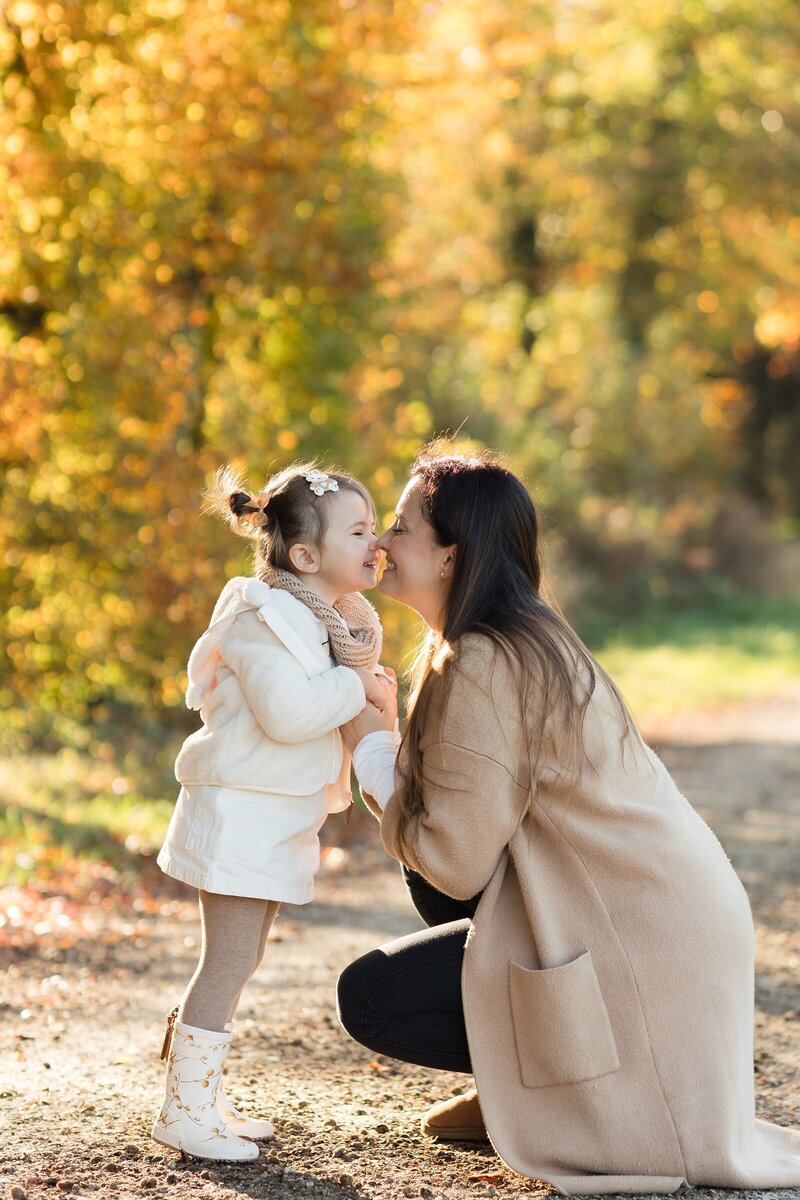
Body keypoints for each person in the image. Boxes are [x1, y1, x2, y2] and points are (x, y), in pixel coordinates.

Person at [336, 448, 800, 1196]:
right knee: (420, 859)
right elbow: (455, 843)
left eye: (400, 525)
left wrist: (370, 749)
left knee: (372, 998)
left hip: (643, 947)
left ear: (451, 554)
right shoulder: (516, 634)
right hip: (663, 919)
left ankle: (548, 1094)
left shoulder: (484, 660)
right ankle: (527, 1083)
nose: (383, 542)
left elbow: (455, 862)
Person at [152, 462, 393, 1162]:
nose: (375, 542)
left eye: (374, 527)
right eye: (359, 531)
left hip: (274, 816)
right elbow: (289, 716)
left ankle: (198, 1095)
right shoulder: (262, 620)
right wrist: (356, 688)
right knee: (226, 959)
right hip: (237, 813)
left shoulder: (323, 622)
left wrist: (359, 682)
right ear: (307, 556)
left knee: (244, 954)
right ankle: (182, 1111)